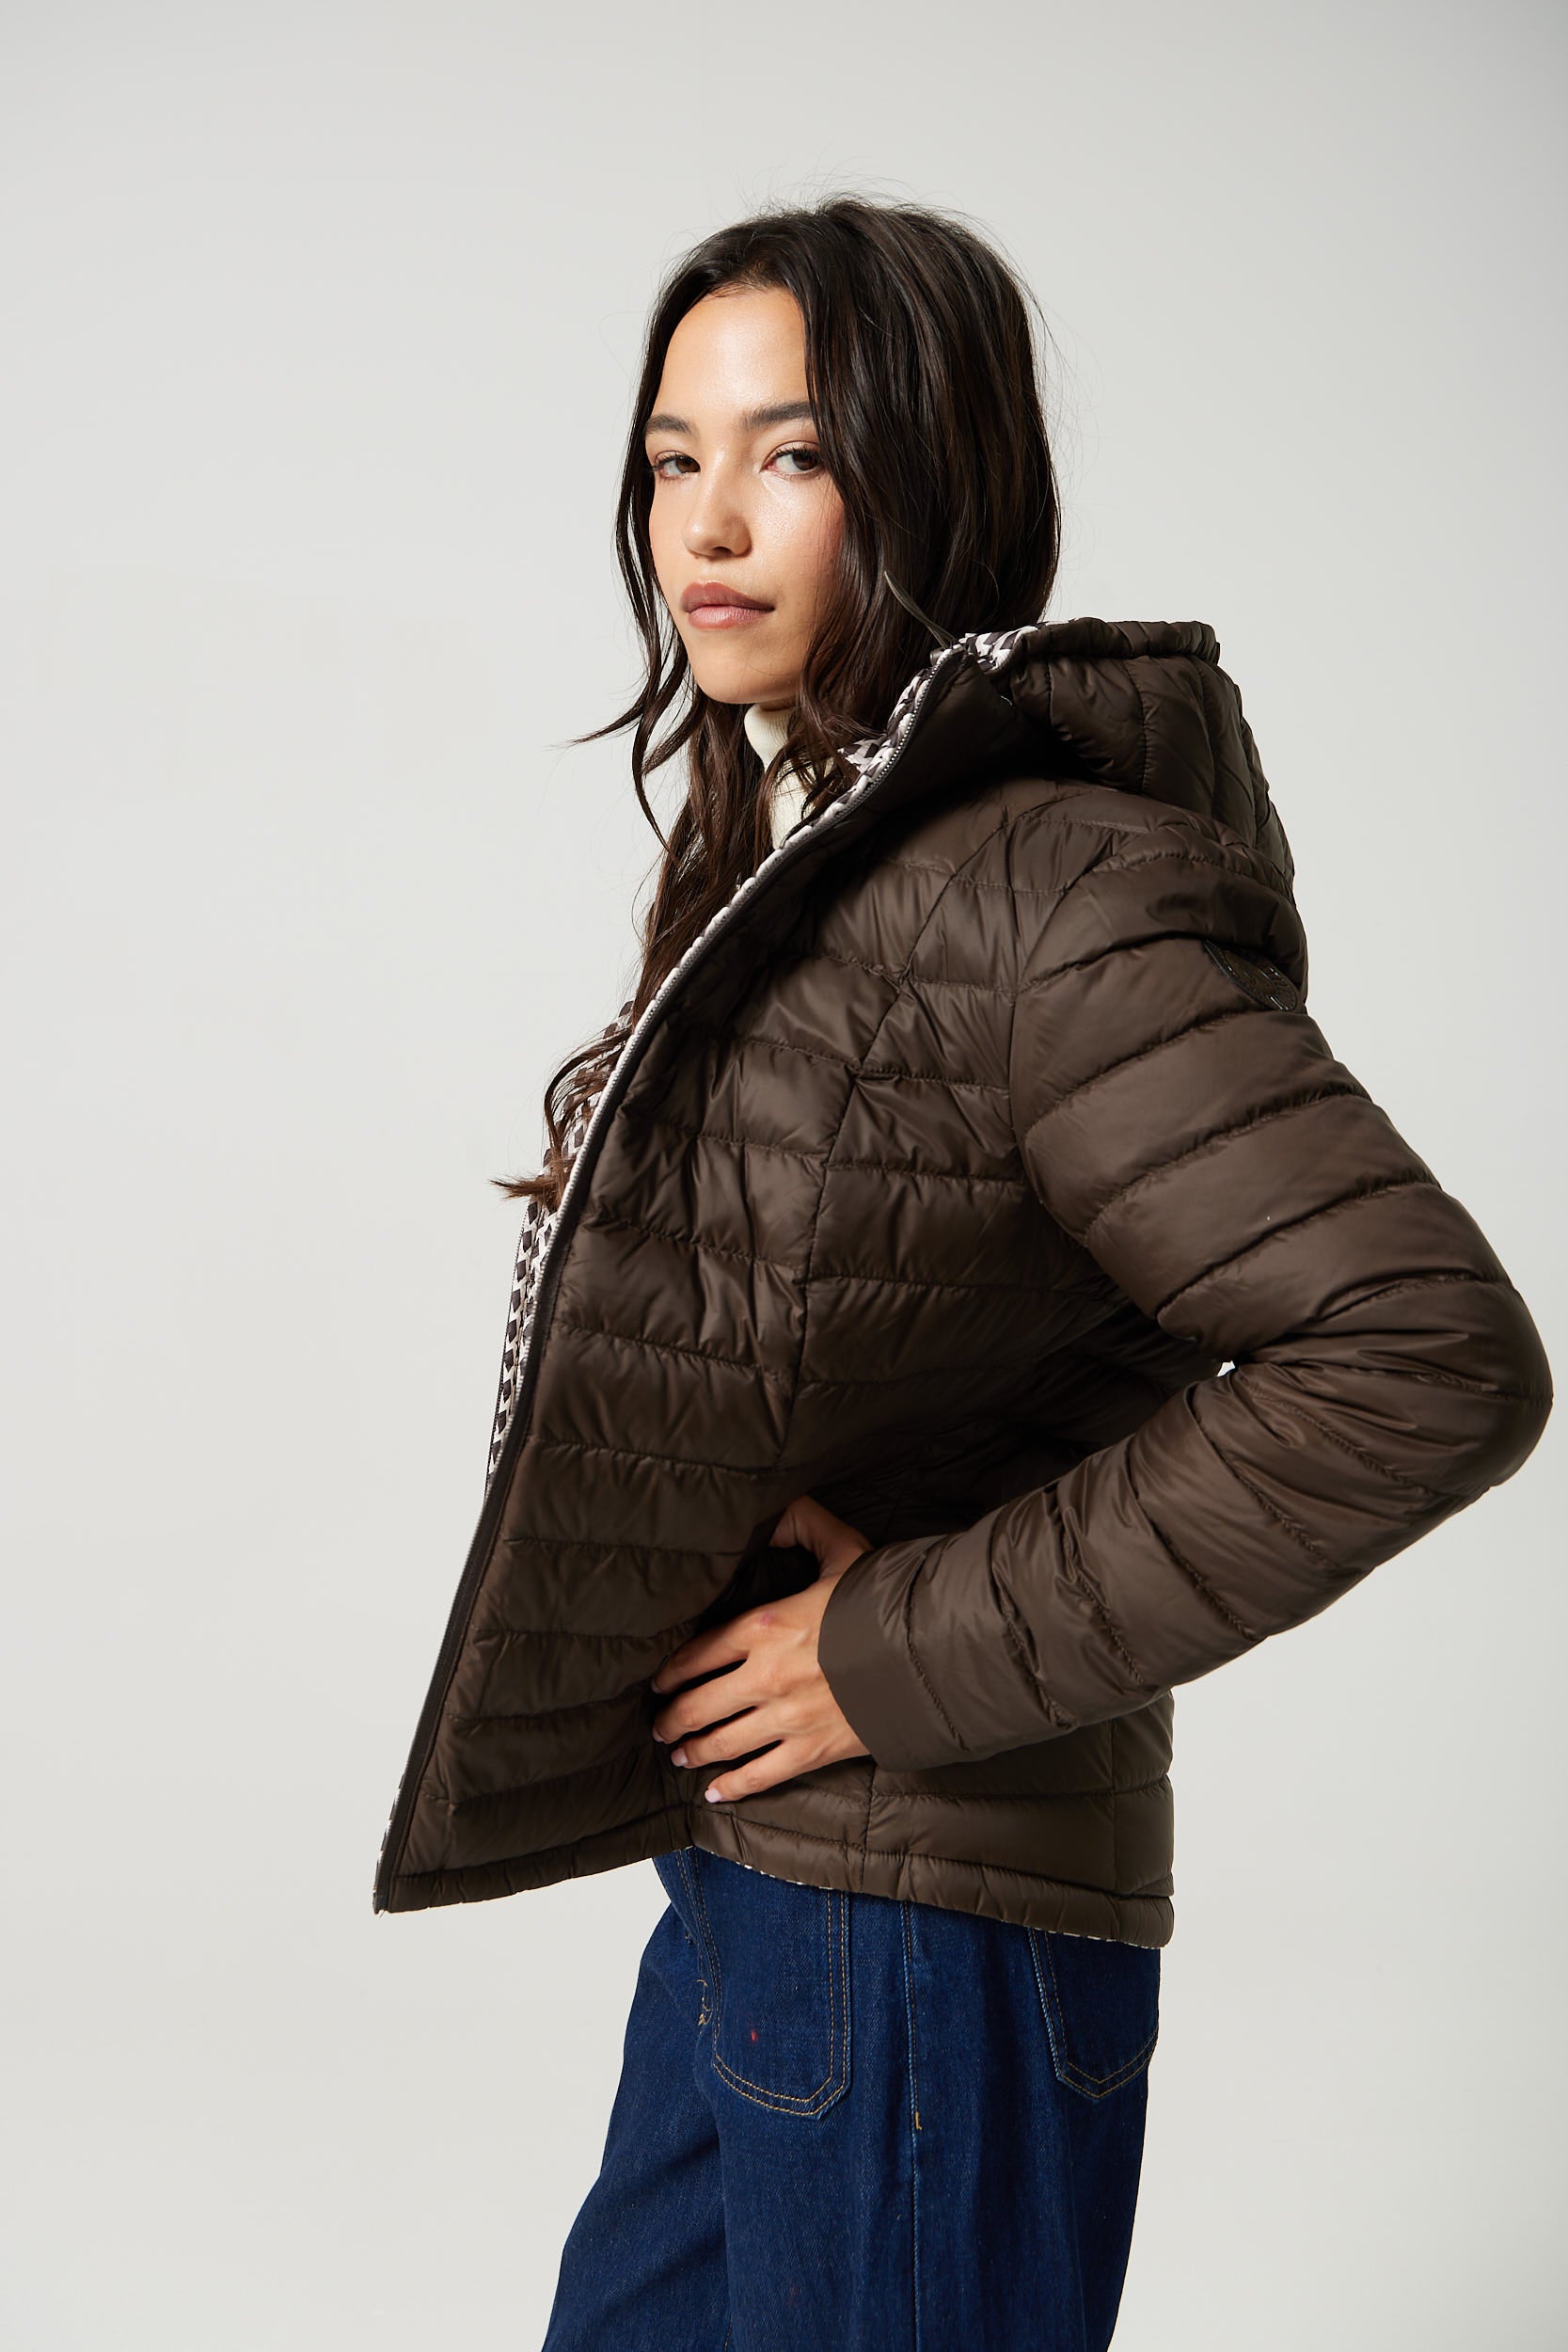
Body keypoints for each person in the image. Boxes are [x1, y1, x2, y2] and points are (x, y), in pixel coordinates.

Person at [372, 198, 1553, 2349]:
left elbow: (1422, 1352)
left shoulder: (1045, 885)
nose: (708, 521)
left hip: (929, 1922)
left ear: (930, 476)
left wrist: (892, 1645)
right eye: (673, 456)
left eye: (794, 454)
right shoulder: (818, 846)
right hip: (768, 1873)